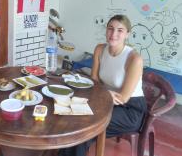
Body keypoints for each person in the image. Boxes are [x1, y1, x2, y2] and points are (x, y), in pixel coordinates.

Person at [58, 14, 147, 156]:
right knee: (71, 116)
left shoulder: (134, 59)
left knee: (86, 128)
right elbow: (94, 80)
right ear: (106, 30)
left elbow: (123, 98)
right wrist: (102, 92)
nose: (113, 34)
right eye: (110, 28)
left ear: (127, 34)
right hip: (106, 100)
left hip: (130, 109)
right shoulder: (100, 49)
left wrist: (102, 93)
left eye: (120, 30)